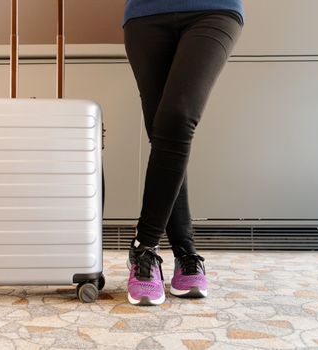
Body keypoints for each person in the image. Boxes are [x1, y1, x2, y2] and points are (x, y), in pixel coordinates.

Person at [123, 0, 244, 306]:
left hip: (214, 8)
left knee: (176, 119)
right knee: (164, 135)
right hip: (145, 14)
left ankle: (144, 245)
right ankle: (185, 253)